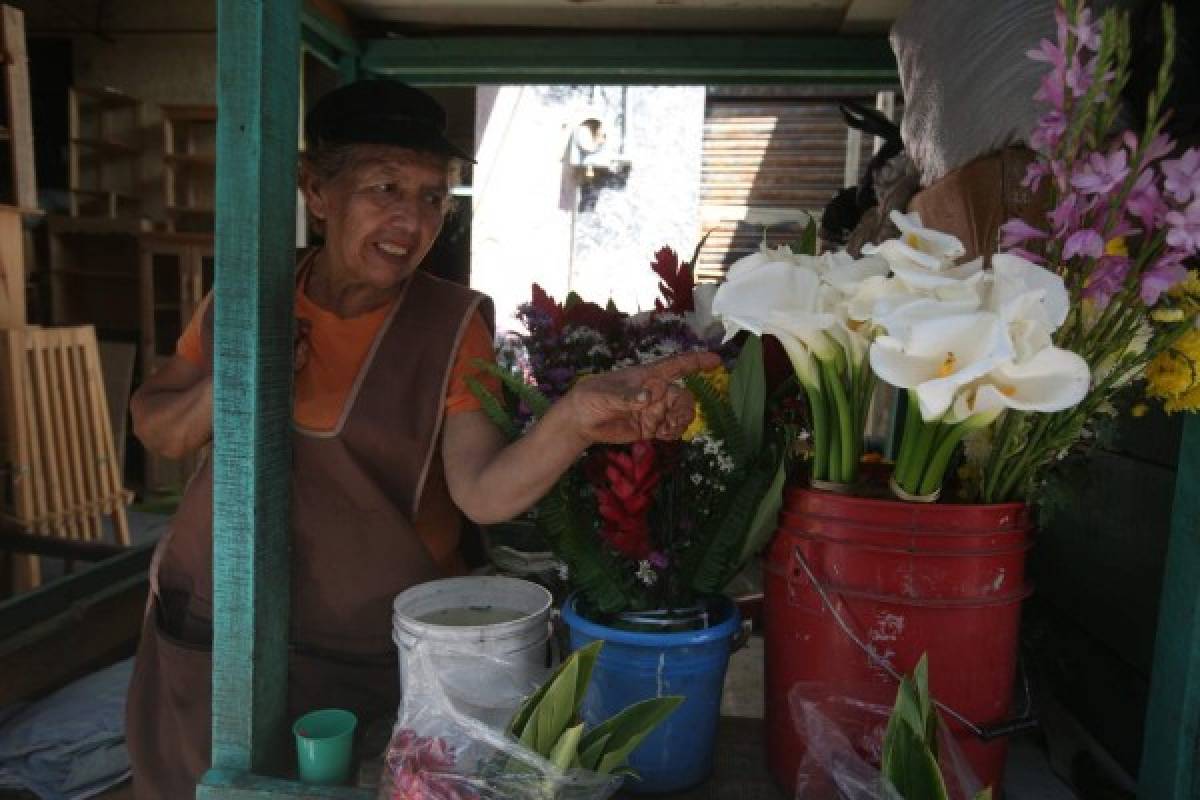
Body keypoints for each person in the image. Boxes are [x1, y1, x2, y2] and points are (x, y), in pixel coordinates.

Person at [124, 79, 717, 798]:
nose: (412, 219)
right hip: (216, 635)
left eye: (433, 197)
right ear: (317, 190)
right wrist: (237, 380)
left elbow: (481, 492)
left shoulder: (448, 323)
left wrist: (575, 421)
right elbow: (158, 424)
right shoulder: (249, 295)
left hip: (359, 653)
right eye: (385, 187)